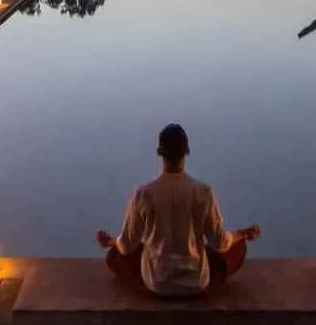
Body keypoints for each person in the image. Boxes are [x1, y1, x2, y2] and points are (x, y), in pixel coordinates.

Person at [96, 123, 260, 298]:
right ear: (187, 151)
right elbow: (220, 244)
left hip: (156, 284)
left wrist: (111, 242)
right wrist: (243, 234)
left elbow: (126, 246)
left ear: (159, 152)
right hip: (196, 283)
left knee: (116, 255)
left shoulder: (143, 194)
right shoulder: (203, 192)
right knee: (238, 248)